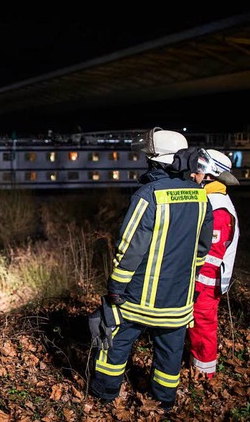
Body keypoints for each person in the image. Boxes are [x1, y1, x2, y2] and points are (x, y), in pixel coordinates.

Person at [89, 127, 214, 412]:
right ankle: (164, 401)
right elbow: (201, 250)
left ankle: (105, 394)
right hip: (178, 302)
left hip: (138, 299)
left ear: (155, 160)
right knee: (170, 353)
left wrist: (115, 287)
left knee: (116, 343)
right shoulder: (200, 197)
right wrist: (189, 282)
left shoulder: (148, 195)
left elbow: (130, 247)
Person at [187, 149, 240, 379]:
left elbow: (211, 257)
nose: (193, 174)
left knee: (203, 327)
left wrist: (196, 287)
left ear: (210, 174)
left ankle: (204, 374)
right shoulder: (210, 199)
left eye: (198, 170)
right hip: (202, 281)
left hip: (207, 283)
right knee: (195, 326)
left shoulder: (217, 207)